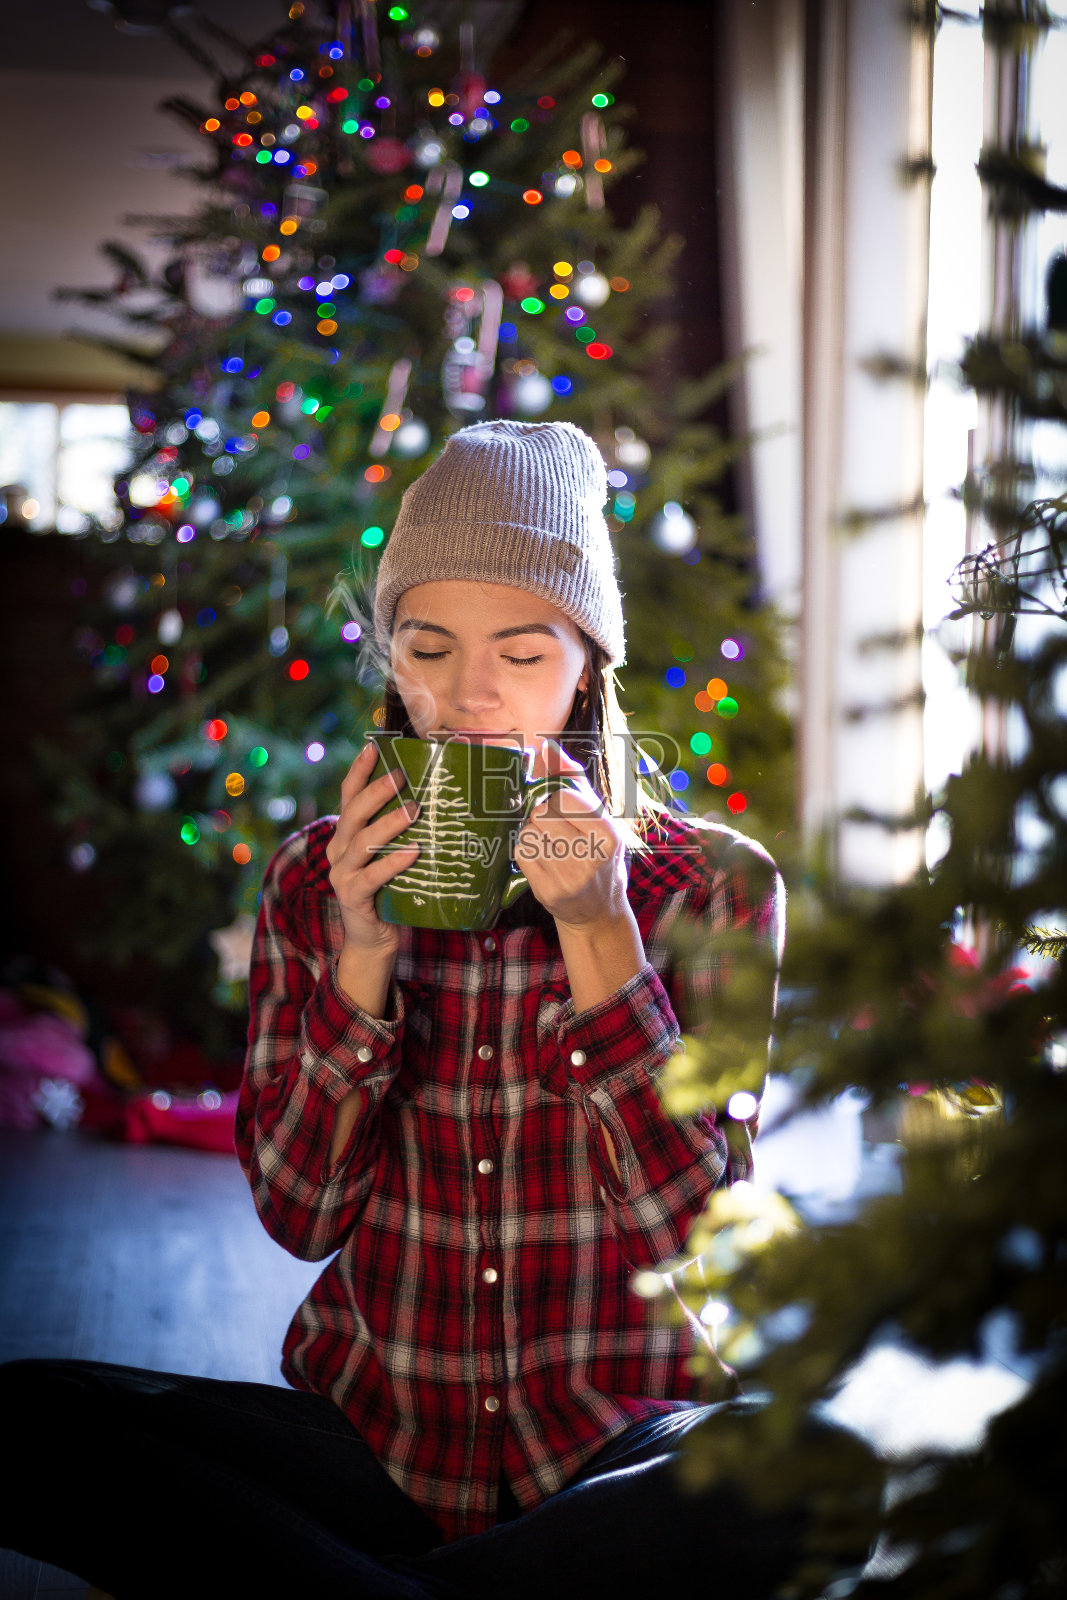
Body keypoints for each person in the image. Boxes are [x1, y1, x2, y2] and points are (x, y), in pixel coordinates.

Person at [0, 422, 865, 1599]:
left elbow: (691, 1243)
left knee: (815, 1472)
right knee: (30, 1416)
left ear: (585, 664)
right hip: (379, 1439)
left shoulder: (713, 886)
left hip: (612, 1440)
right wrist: (363, 951)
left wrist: (600, 935)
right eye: (427, 647)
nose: (466, 696)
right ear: (392, 659)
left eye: (521, 651)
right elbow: (300, 1215)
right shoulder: (317, 878)